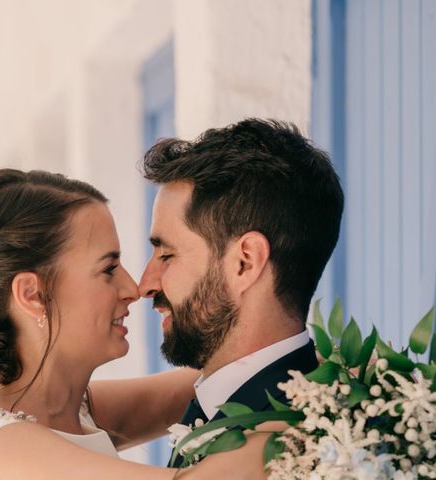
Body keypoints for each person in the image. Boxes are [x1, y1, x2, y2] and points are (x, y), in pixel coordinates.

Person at [0, 169, 272, 480]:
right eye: (108, 269)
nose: (133, 289)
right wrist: (318, 413)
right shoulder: (5, 446)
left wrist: (318, 364)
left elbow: (225, 378)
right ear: (33, 294)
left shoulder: (74, 410)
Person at [138, 118, 344, 466]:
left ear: (245, 263)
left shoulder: (304, 447)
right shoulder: (227, 396)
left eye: (166, 254)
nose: (145, 284)